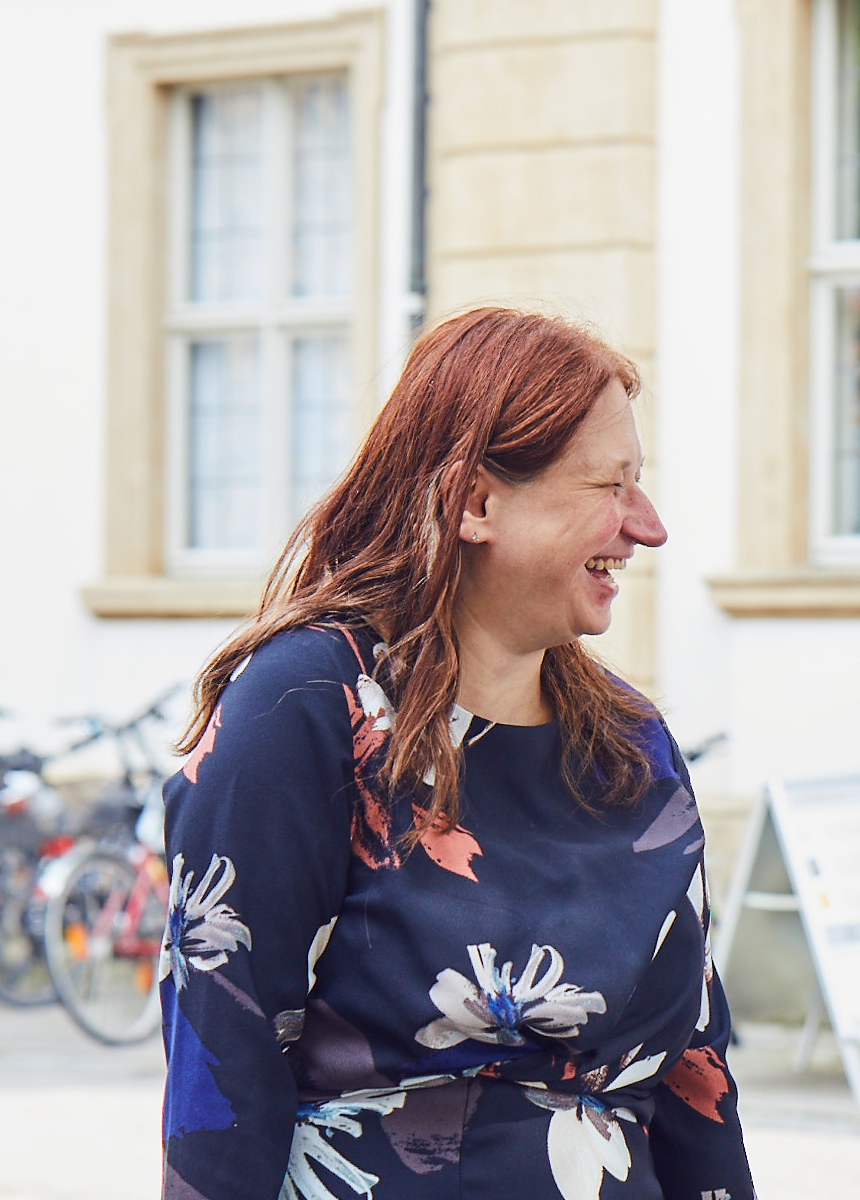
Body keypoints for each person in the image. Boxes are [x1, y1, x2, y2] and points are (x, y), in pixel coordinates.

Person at [158, 308, 754, 1200]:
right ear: (477, 502)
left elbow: (693, 1071)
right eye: (610, 486)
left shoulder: (634, 746)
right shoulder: (306, 711)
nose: (647, 525)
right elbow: (223, 1079)